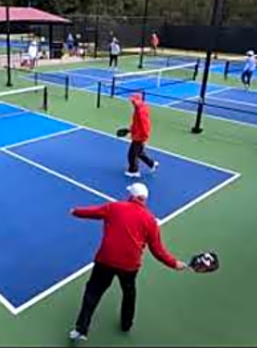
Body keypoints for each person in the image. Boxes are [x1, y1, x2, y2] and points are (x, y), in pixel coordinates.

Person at [68, 182, 188, 342]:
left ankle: (81, 329)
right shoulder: (150, 220)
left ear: (132, 196)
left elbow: (92, 212)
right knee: (129, 292)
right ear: (144, 199)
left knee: (93, 292)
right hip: (129, 266)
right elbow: (157, 251)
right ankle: (126, 324)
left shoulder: (114, 207)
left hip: (105, 260)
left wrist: (75, 211)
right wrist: (174, 263)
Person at [126, 94, 159, 178]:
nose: (132, 102)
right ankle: (152, 164)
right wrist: (131, 129)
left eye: (134, 101)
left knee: (132, 154)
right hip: (137, 134)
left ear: (139, 100)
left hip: (140, 136)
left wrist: (145, 136)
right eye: (132, 100)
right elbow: (136, 123)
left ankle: (133, 171)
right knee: (139, 152)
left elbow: (145, 124)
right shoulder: (138, 108)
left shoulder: (141, 111)